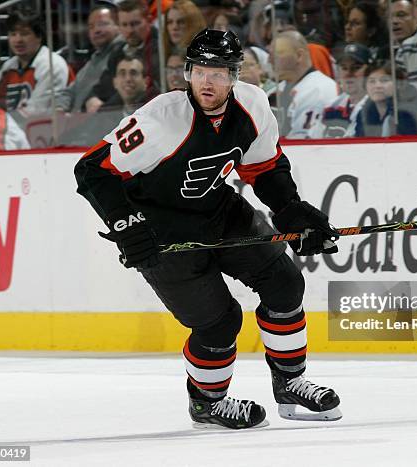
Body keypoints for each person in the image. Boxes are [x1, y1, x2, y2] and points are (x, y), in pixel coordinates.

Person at [74, 29, 342, 430]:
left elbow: (264, 167)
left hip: (219, 211)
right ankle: (207, 403)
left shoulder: (252, 104)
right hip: (163, 234)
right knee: (219, 322)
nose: (208, 81)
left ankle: (291, 383)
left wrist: (289, 208)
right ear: (187, 73)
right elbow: (93, 170)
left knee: (285, 282)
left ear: (236, 75)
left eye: (218, 72)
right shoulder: (161, 118)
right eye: (200, 71)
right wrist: (126, 224)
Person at [0, 8, 73, 125]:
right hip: (9, 131)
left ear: (39, 37)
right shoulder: (8, 67)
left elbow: (38, 110)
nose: (18, 40)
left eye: (24, 34)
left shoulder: (52, 63)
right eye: (13, 34)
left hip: (46, 134)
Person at [85, 0, 161, 114]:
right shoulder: (119, 51)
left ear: (148, 21)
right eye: (124, 25)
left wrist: (104, 108)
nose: (130, 30)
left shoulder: (160, 49)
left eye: (135, 24)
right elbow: (105, 83)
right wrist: (92, 97)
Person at [62, 55, 155, 147]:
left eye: (133, 73)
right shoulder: (105, 114)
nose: (128, 79)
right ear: (115, 82)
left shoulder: (155, 112)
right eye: (122, 73)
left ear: (146, 82)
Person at [269, 30, 339, 138]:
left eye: (277, 55)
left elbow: (303, 143)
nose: (270, 60)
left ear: (299, 56)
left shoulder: (319, 89)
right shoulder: (277, 89)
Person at [56, 4, 125, 113]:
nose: (96, 30)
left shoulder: (124, 53)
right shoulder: (94, 59)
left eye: (102, 24)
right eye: (91, 26)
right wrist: (59, 108)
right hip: (75, 123)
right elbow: (69, 92)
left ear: (119, 25)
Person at [310, 43, 371, 138]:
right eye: (344, 68)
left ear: (370, 71)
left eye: (356, 68)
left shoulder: (376, 108)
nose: (349, 73)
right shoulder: (330, 108)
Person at [355, 61, 417, 137]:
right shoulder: (363, 114)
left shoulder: (406, 114)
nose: (377, 86)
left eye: (384, 80)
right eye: (372, 81)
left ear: (398, 84)